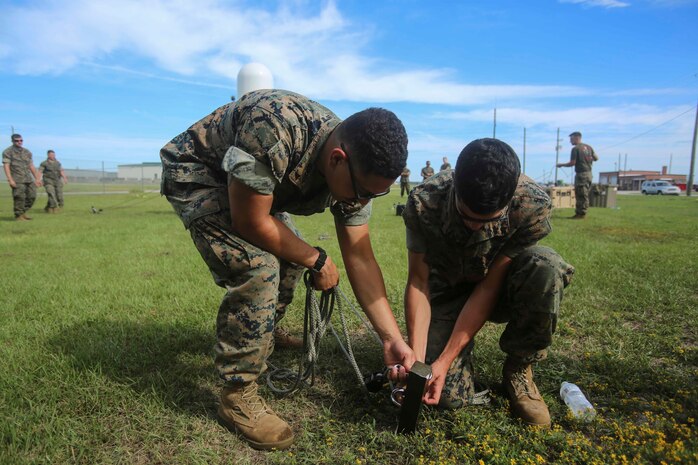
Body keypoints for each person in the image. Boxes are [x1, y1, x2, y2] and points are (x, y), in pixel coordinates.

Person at [160, 89, 415, 450]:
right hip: (200, 174)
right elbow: (250, 220)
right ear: (338, 160)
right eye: (361, 193)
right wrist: (316, 259)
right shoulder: (275, 127)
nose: (362, 203)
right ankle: (237, 394)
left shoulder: (356, 171)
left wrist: (391, 338)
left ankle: (262, 331)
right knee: (260, 267)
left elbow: (360, 257)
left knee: (292, 255)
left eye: (375, 196)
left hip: (255, 191)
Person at [402, 138, 574, 427]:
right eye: (466, 216)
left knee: (545, 265)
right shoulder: (425, 201)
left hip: (498, 289)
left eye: (486, 222)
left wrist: (445, 361)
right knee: (446, 396)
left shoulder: (532, 204)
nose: (475, 228)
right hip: (448, 288)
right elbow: (418, 282)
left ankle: (520, 367)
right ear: (455, 186)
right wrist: (420, 366)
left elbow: (488, 287)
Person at [556, 131, 598, 219]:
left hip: (581, 175)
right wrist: (587, 160)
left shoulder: (576, 149)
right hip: (589, 174)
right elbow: (596, 158)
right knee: (584, 194)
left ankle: (581, 214)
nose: (570, 141)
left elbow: (572, 163)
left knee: (581, 194)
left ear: (577, 138)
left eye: (571, 139)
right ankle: (580, 213)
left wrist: (561, 165)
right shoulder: (589, 147)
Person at [3, 134, 41, 221]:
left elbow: (31, 166)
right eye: (17, 141)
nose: (19, 142)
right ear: (12, 141)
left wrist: (37, 178)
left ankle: (23, 212)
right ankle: (18, 215)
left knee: (32, 196)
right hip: (17, 179)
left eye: (21, 140)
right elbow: (6, 166)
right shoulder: (7, 152)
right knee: (19, 197)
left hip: (28, 178)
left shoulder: (27, 152)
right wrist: (10, 179)